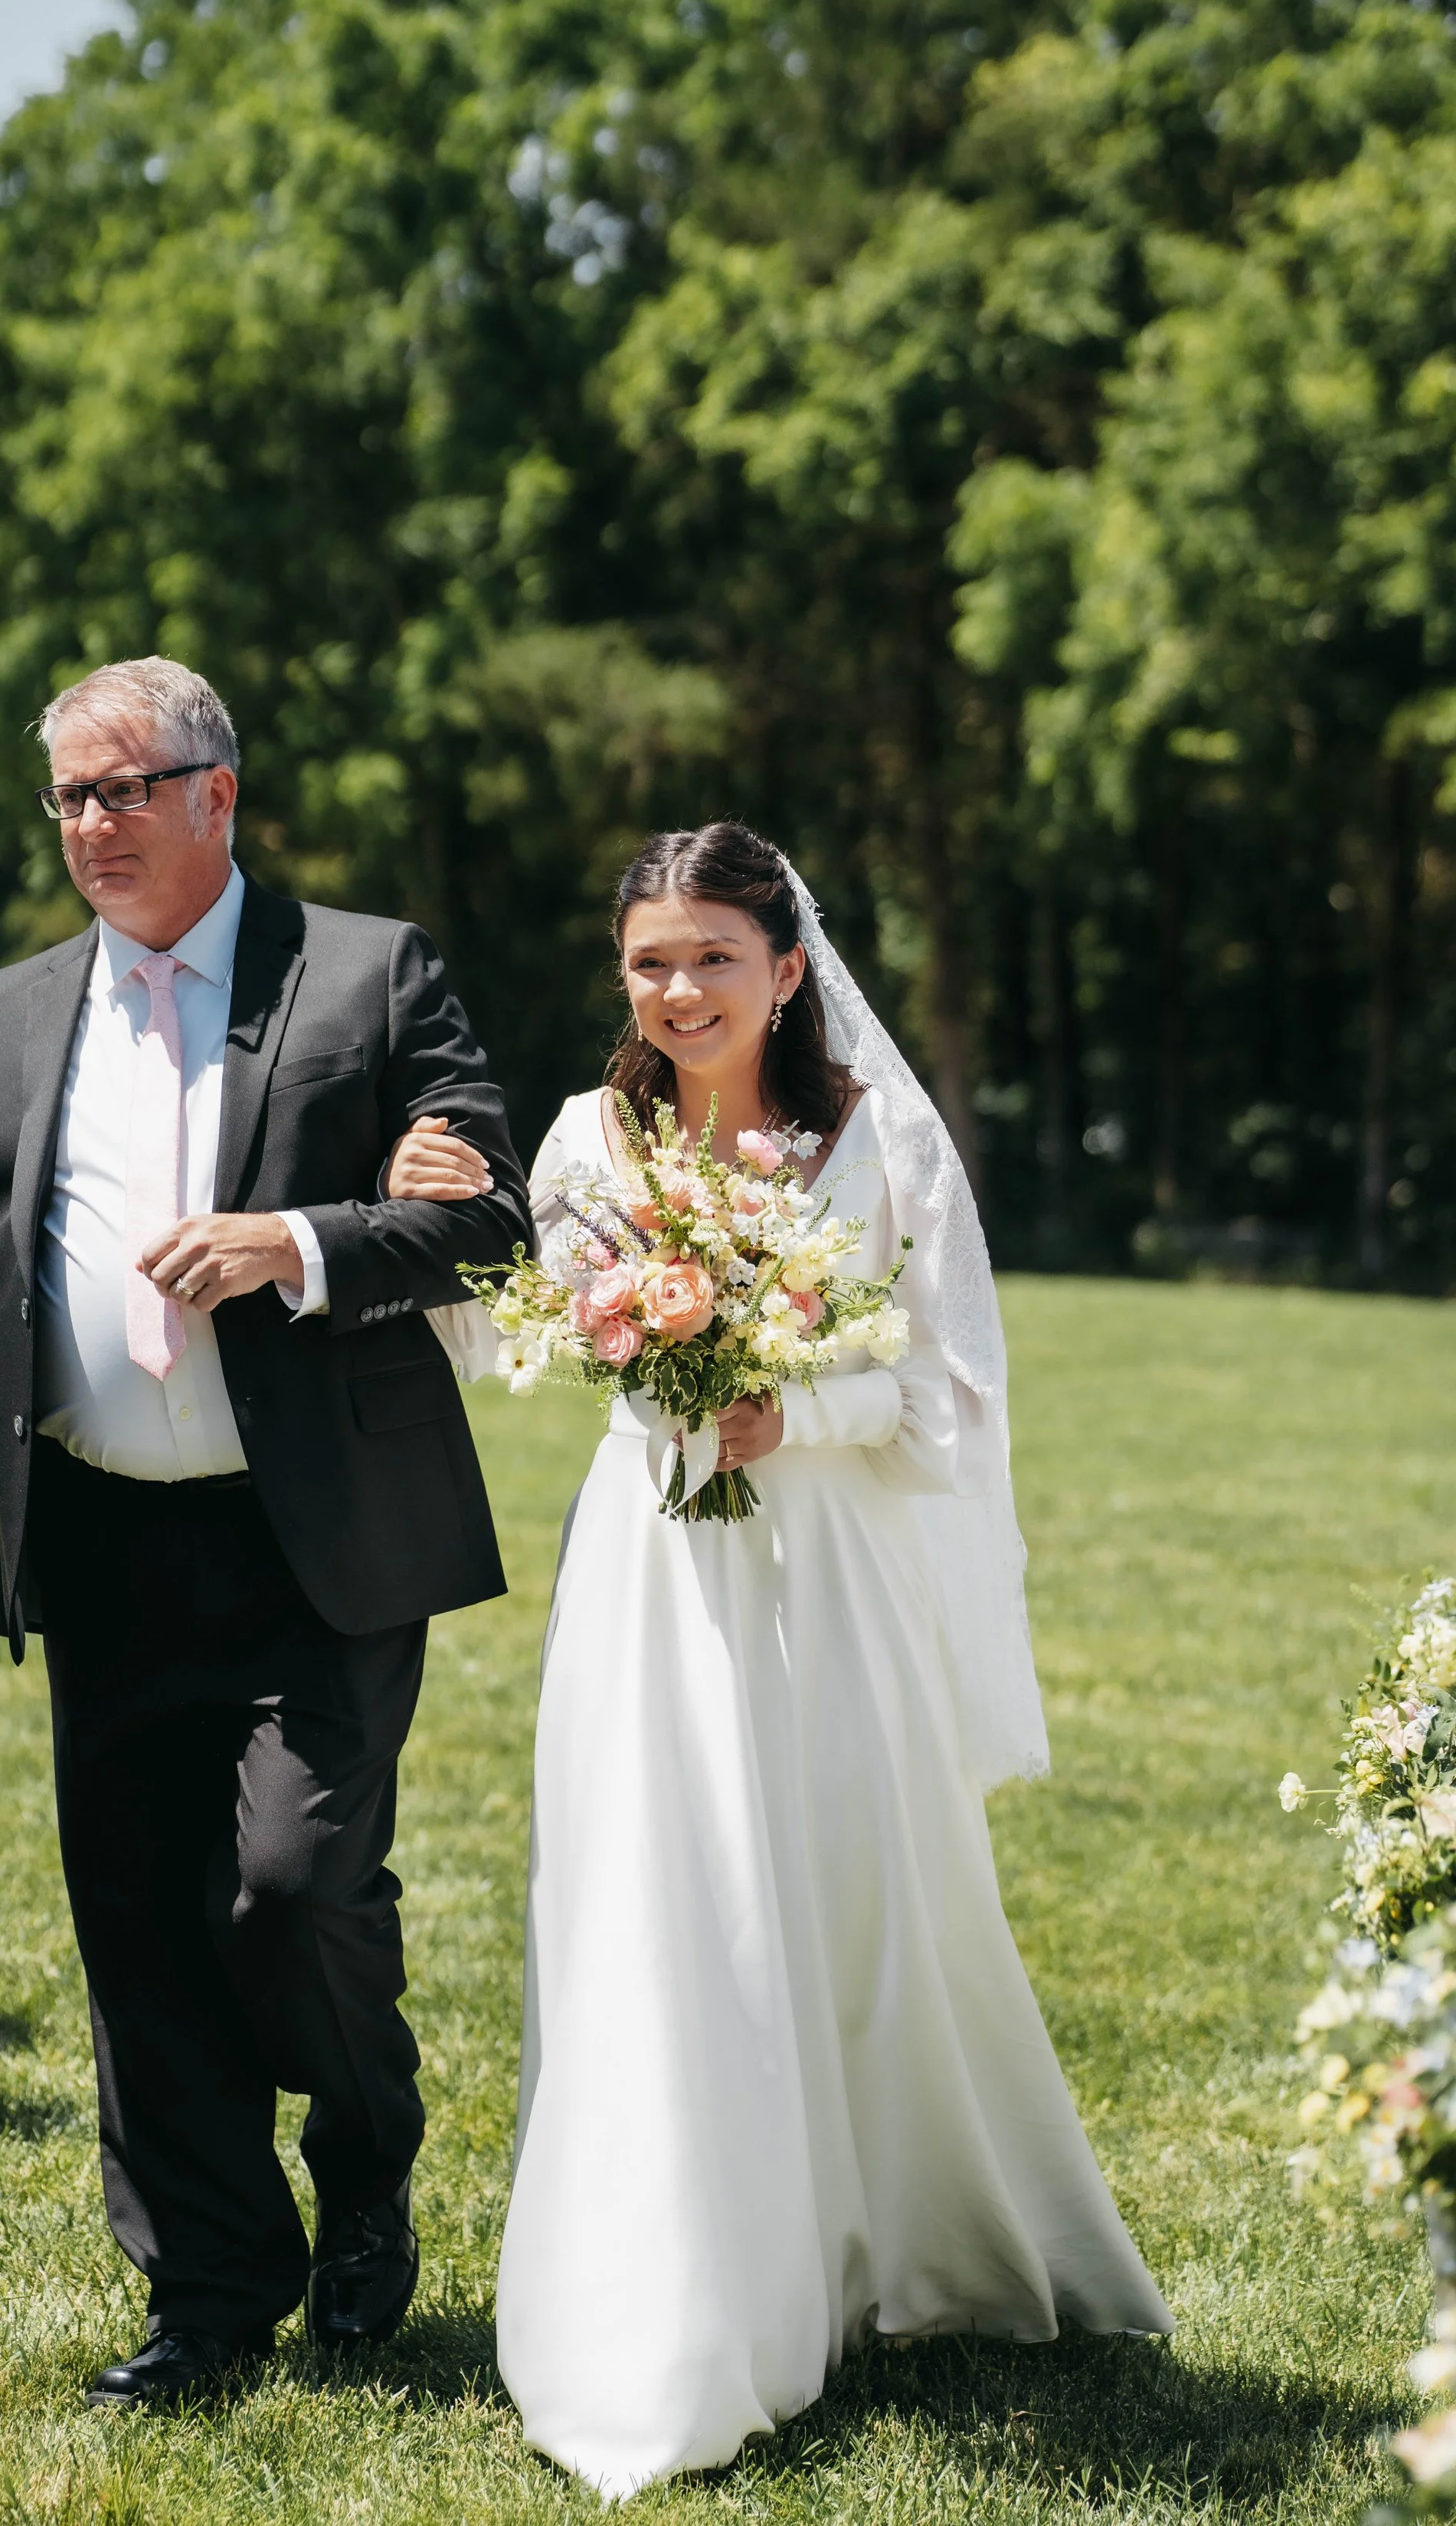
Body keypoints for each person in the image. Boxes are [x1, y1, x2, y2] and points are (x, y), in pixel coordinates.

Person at [0, 657, 528, 2409]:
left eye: (124, 786)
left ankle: (366, 2153)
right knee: (142, 1929)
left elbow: (486, 1219)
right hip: (102, 1548)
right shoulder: (4, 1014)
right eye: (67, 796)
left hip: (319, 1543)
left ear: (219, 790)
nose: (92, 824)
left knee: (289, 1889)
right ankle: (211, 2295)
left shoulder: (369, 975)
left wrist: (294, 1243)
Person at [389, 821, 1172, 2501]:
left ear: (786, 965)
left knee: (850, 1902)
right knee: (664, 1900)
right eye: (650, 963)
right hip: (653, 1574)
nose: (680, 990)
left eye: (713, 959)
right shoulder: (592, 1139)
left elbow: (943, 1392)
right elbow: (506, 1336)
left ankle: (883, 2243)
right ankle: (677, 2295)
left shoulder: (866, 1140)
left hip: (831, 1579)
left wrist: (785, 1404)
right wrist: (440, 1221)